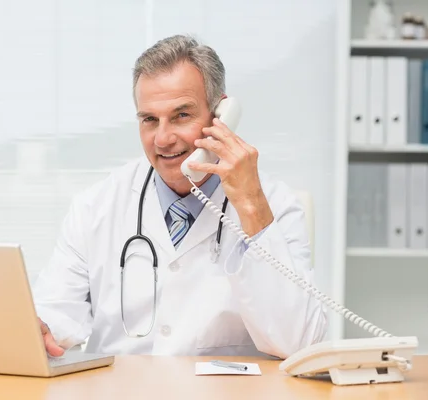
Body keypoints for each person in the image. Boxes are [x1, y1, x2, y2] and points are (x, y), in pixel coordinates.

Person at [32, 34, 327, 358]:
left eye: (181, 116)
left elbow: (300, 344)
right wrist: (41, 326)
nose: (162, 139)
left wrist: (251, 207)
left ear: (221, 115)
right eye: (149, 120)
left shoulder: (275, 205)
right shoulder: (96, 206)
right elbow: (56, 311)